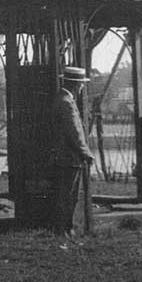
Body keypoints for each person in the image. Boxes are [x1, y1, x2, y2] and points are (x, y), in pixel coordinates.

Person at [51, 66, 94, 236]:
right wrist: (85, 152)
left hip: (64, 154)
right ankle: (64, 229)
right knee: (69, 195)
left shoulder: (61, 99)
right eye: (81, 84)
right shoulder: (67, 103)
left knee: (66, 193)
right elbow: (74, 131)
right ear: (76, 85)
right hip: (70, 156)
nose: (83, 87)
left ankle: (65, 228)